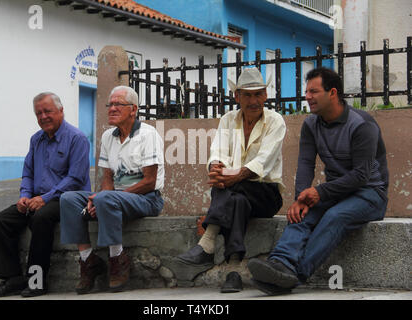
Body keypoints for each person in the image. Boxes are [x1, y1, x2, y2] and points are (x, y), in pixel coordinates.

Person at [248, 67, 389, 296]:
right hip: (337, 192)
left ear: (332, 93)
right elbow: (305, 164)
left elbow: (361, 175)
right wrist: (301, 197)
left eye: (314, 91)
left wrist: (320, 192)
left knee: (335, 216)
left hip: (370, 194)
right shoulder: (311, 125)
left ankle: (295, 275)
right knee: (301, 211)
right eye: (306, 91)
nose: (307, 96)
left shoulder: (362, 125)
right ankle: (279, 263)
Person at [176, 68, 286, 293]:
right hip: (236, 194)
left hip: (266, 194)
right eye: (247, 95)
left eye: (258, 94)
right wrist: (216, 169)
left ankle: (207, 241)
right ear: (237, 97)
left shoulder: (276, 121)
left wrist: (231, 177)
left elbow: (263, 162)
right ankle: (233, 271)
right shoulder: (228, 120)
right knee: (235, 200)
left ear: (265, 95)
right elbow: (217, 152)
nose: (253, 100)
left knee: (231, 186)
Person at [59, 86, 164, 295]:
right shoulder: (108, 136)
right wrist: (99, 198)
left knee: (106, 198)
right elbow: (107, 179)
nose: (112, 108)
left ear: (133, 109)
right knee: (68, 199)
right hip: (114, 199)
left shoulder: (147, 134)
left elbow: (149, 182)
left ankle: (118, 259)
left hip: (146, 198)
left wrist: (107, 198)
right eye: (110, 104)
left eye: (118, 104)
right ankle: (88, 260)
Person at [0, 92, 91, 298]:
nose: (43, 117)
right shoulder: (36, 140)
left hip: (66, 198)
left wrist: (45, 198)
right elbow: (28, 173)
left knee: (41, 218)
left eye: (47, 111)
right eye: (38, 113)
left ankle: (37, 281)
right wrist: (24, 195)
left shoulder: (77, 138)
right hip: (37, 198)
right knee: (0, 221)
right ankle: (13, 279)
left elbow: (75, 179)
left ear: (61, 111)